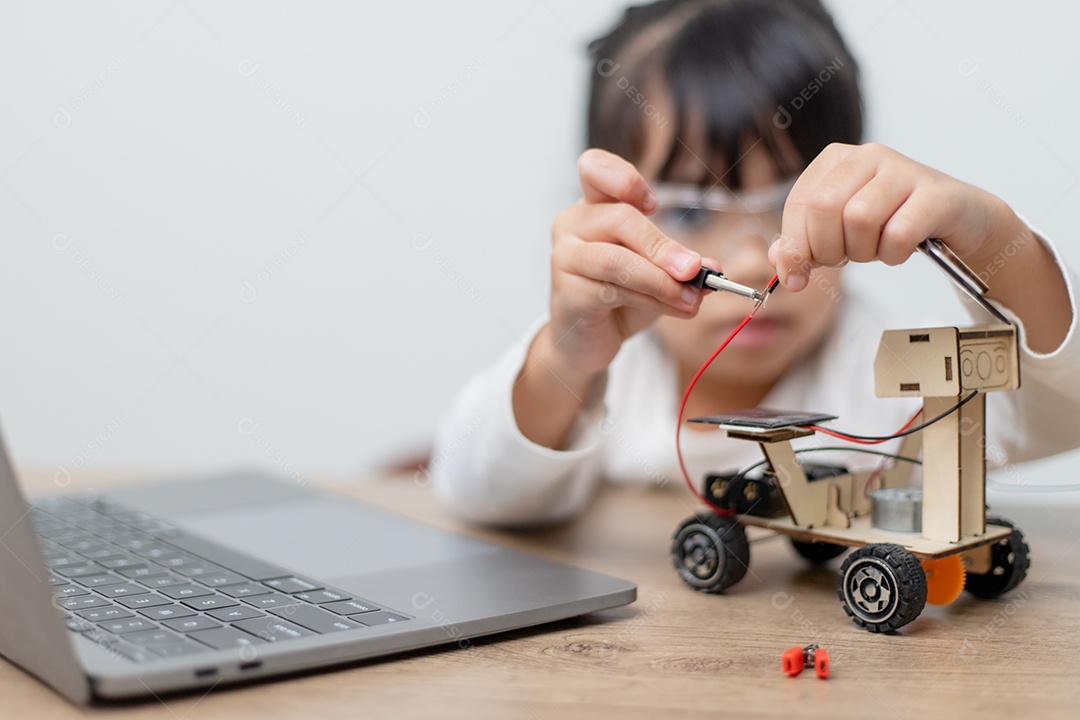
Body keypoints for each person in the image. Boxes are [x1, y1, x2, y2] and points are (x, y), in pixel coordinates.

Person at [431, 0, 1079, 526]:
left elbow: (1064, 408)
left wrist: (992, 236)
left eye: (795, 203)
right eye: (688, 211)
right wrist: (566, 360)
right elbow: (476, 489)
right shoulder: (608, 367)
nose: (748, 259)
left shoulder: (889, 379)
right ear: (611, 219)